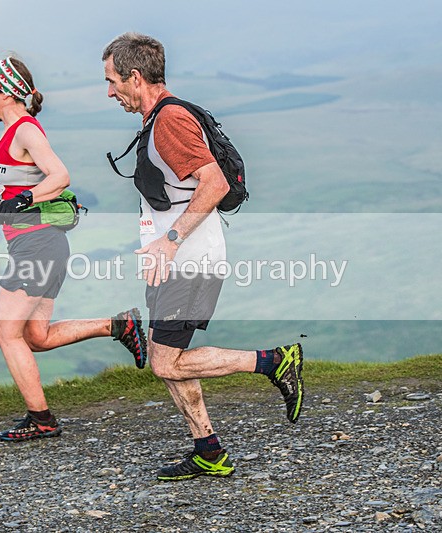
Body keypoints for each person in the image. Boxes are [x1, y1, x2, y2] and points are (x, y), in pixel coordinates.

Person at [101, 33, 304, 481]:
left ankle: (274, 361)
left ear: (136, 77)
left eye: (113, 81)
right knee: (167, 354)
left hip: (190, 261)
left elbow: (215, 184)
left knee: (164, 361)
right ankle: (207, 449)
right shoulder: (158, 118)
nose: (110, 92)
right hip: (173, 262)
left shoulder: (170, 121)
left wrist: (170, 240)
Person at [0, 56, 147, 442]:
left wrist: (20, 204)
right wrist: (1, 212)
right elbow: (19, 189)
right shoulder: (12, 132)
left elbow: (60, 176)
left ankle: (41, 420)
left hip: (37, 247)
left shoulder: (24, 129)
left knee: (6, 333)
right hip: (40, 244)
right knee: (35, 337)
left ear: (5, 93)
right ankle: (118, 325)